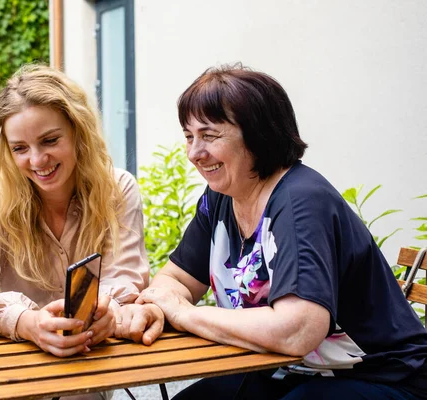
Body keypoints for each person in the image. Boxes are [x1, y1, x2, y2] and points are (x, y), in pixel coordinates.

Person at [115, 64, 427, 399]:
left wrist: (187, 314)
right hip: (288, 371)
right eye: (189, 137)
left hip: (384, 378)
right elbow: (176, 278)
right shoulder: (221, 197)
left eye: (209, 135)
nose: (194, 153)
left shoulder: (300, 202)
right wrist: (155, 307)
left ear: (257, 134)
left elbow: (298, 329)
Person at [0, 64, 150, 399]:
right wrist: (26, 323)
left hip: (75, 356)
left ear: (79, 131)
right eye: (20, 148)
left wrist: (106, 310)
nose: (37, 160)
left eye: (50, 140)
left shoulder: (117, 189)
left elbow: (125, 278)